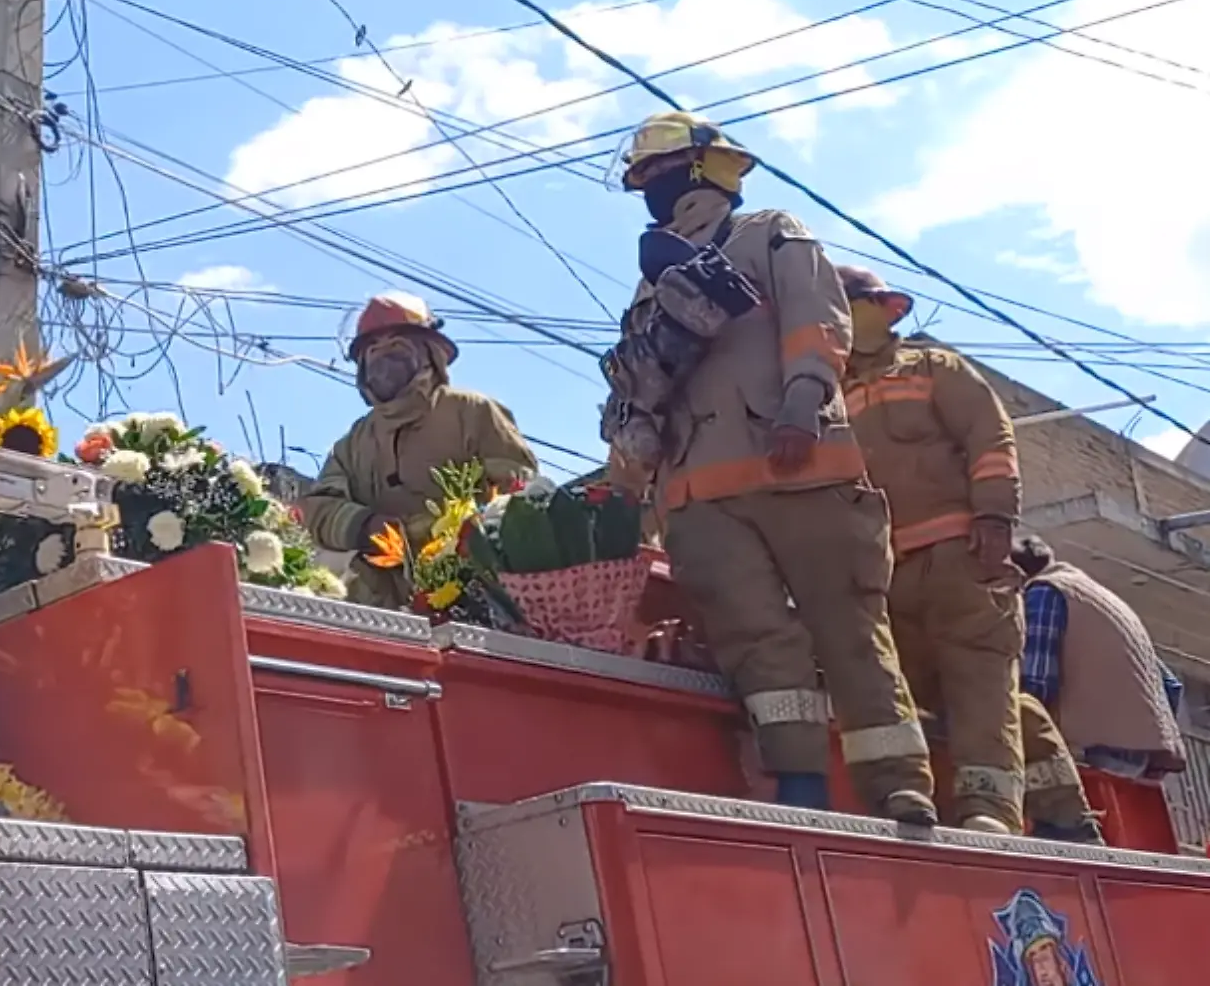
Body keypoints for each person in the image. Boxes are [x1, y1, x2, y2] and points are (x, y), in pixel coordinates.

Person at [608, 111, 935, 824]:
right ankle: (800, 782)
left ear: (703, 169)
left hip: (800, 466)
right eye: (644, 178)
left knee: (848, 627)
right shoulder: (645, 291)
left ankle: (897, 785)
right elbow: (640, 391)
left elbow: (818, 318)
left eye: (660, 172)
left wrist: (804, 398)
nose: (652, 188)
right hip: (701, 502)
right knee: (758, 643)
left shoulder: (770, 232)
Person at [840, 266, 1101, 841]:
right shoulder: (829, 395)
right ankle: (1061, 805)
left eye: (856, 304)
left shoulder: (935, 370)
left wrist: (993, 517)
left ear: (887, 311)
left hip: (960, 557)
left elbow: (991, 438)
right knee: (954, 692)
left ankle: (992, 813)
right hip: (889, 575)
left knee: (979, 686)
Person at [301, 292, 537, 608]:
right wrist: (364, 525)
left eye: (397, 346)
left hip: (478, 597)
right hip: (383, 608)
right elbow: (316, 507)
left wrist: (458, 536)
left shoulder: (472, 412)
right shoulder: (354, 442)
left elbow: (523, 500)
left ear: (429, 354)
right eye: (373, 350)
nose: (383, 357)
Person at [1012, 534, 1188, 782]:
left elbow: (1035, 686)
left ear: (1015, 575)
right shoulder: (1104, 599)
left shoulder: (1044, 591)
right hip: (1138, 759)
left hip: (1092, 750)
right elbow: (1171, 685)